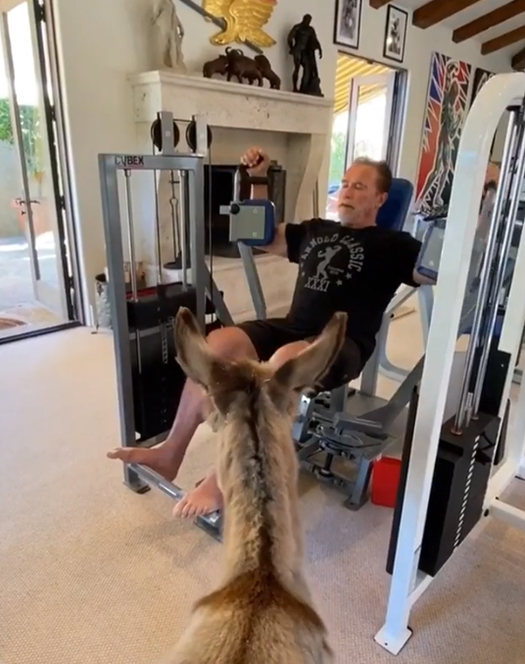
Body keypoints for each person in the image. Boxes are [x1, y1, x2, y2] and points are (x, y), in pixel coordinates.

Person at [107, 148, 432, 517]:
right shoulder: (316, 230)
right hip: (292, 327)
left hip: (340, 343)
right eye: (344, 184)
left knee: (284, 363)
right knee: (215, 346)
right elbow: (257, 235)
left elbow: (437, 269)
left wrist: (471, 225)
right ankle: (171, 451)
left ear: (380, 199)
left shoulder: (395, 245)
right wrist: (259, 178)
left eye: (359, 187)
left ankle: (226, 477)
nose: (347, 192)